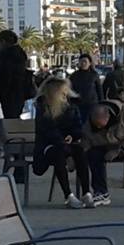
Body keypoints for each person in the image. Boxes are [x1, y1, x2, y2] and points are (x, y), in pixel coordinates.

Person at [33, 75, 93, 208]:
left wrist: (72, 135)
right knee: (58, 154)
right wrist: (62, 141)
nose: (66, 95)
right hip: (48, 146)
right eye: (62, 93)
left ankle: (86, 192)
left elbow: (77, 127)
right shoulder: (43, 108)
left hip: (68, 143)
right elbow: (47, 130)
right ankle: (68, 195)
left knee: (80, 152)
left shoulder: (71, 106)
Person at [0, 31, 36, 119]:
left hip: (6, 94)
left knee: (6, 118)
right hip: (19, 94)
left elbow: (2, 74)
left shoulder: (4, 56)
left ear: (3, 41)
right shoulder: (20, 55)